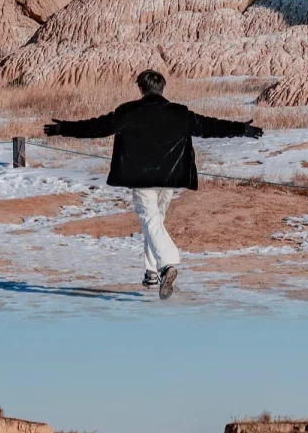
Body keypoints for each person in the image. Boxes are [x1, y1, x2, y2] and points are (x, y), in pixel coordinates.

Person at [43, 69, 263, 299]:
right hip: (169, 179)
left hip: (141, 179)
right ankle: (151, 273)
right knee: (156, 222)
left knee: (151, 222)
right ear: (162, 88)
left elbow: (96, 128)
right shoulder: (179, 113)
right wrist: (242, 129)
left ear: (140, 88)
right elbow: (210, 126)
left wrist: (64, 129)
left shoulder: (128, 111)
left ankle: (167, 265)